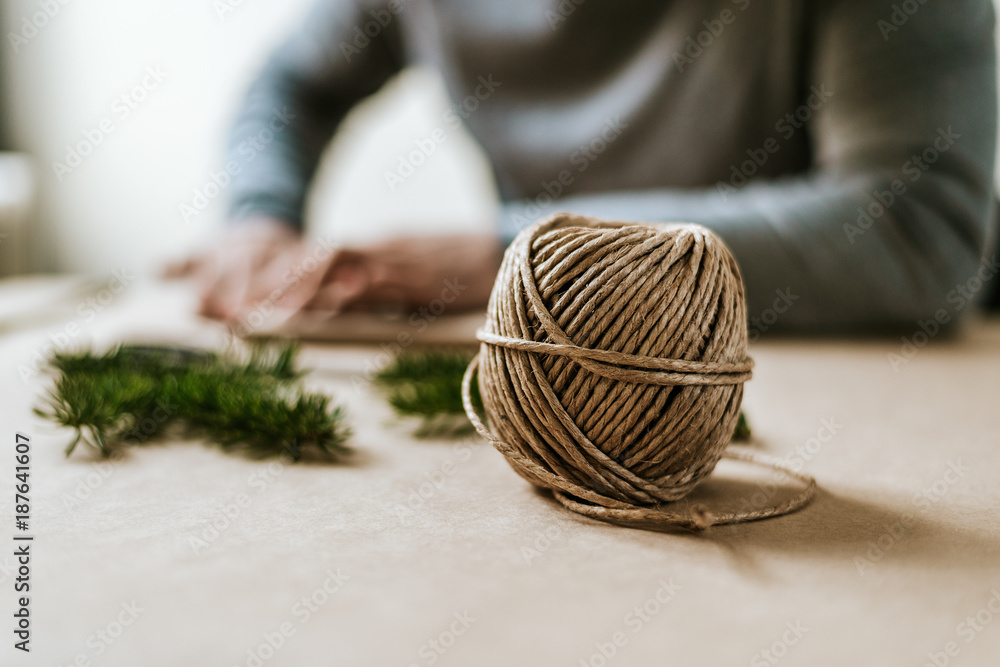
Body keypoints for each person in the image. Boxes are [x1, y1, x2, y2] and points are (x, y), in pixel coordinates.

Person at [182, 0, 999, 334]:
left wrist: (509, 254)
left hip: (869, 372)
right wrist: (260, 215)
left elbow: (917, 229)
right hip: (544, 352)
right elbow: (291, 84)